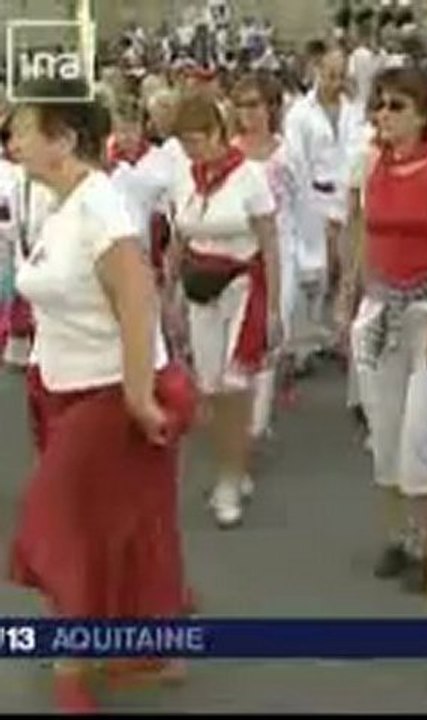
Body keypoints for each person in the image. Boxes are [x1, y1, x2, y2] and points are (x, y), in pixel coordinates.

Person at [7, 78, 195, 712]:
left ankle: (71, 668)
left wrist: (140, 396)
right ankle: (142, 628)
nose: (13, 138)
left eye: (24, 127)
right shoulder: (58, 202)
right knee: (112, 522)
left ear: (61, 139)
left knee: (57, 523)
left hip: (110, 389)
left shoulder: (101, 205)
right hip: (63, 386)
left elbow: (137, 303)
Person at [348, 66, 427, 592]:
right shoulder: (371, 163)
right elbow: (363, 233)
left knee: (425, 434)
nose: (385, 117)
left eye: (397, 107)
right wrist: (349, 293)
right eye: (380, 105)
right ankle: (401, 536)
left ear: (424, 114)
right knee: (385, 427)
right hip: (382, 307)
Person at [170, 91, 281, 528]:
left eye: (197, 140)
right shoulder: (184, 179)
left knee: (236, 386)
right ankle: (231, 461)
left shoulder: (249, 176)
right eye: (184, 143)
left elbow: (269, 241)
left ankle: (230, 479)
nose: (191, 150)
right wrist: (170, 295)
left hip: (241, 284)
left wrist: (273, 306)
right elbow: (178, 238)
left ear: (218, 133)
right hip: (200, 288)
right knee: (210, 388)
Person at [284, 40, 367, 372]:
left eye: (340, 74)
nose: (335, 81)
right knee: (314, 273)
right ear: (316, 72)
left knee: (349, 272)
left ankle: (341, 336)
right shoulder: (300, 114)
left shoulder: (355, 111)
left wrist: (352, 198)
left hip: (349, 197)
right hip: (313, 198)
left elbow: (361, 152)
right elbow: (296, 163)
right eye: (329, 74)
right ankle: (303, 344)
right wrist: (307, 207)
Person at [231, 72, 302, 440]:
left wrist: (309, 256)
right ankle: (244, 417)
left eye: (255, 105)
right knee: (241, 335)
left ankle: (257, 421)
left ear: (271, 108)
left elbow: (302, 205)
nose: (249, 113)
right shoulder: (230, 154)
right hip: (240, 255)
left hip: (282, 252)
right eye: (242, 105)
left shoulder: (287, 153)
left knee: (272, 329)